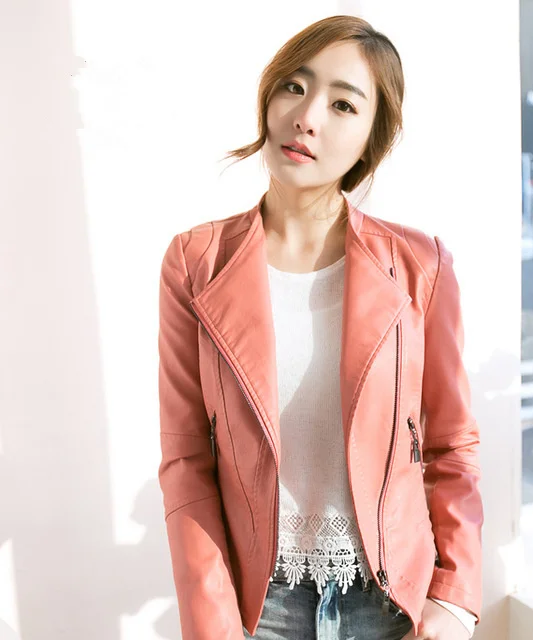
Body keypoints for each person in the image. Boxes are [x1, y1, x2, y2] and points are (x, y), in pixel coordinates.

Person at [157, 15, 483, 640]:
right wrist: (212, 623)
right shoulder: (196, 262)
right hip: (257, 606)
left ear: (371, 139)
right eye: (295, 87)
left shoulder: (421, 265)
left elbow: (451, 444)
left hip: (392, 602)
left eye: (342, 105)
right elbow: (186, 457)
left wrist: (455, 597)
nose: (307, 117)